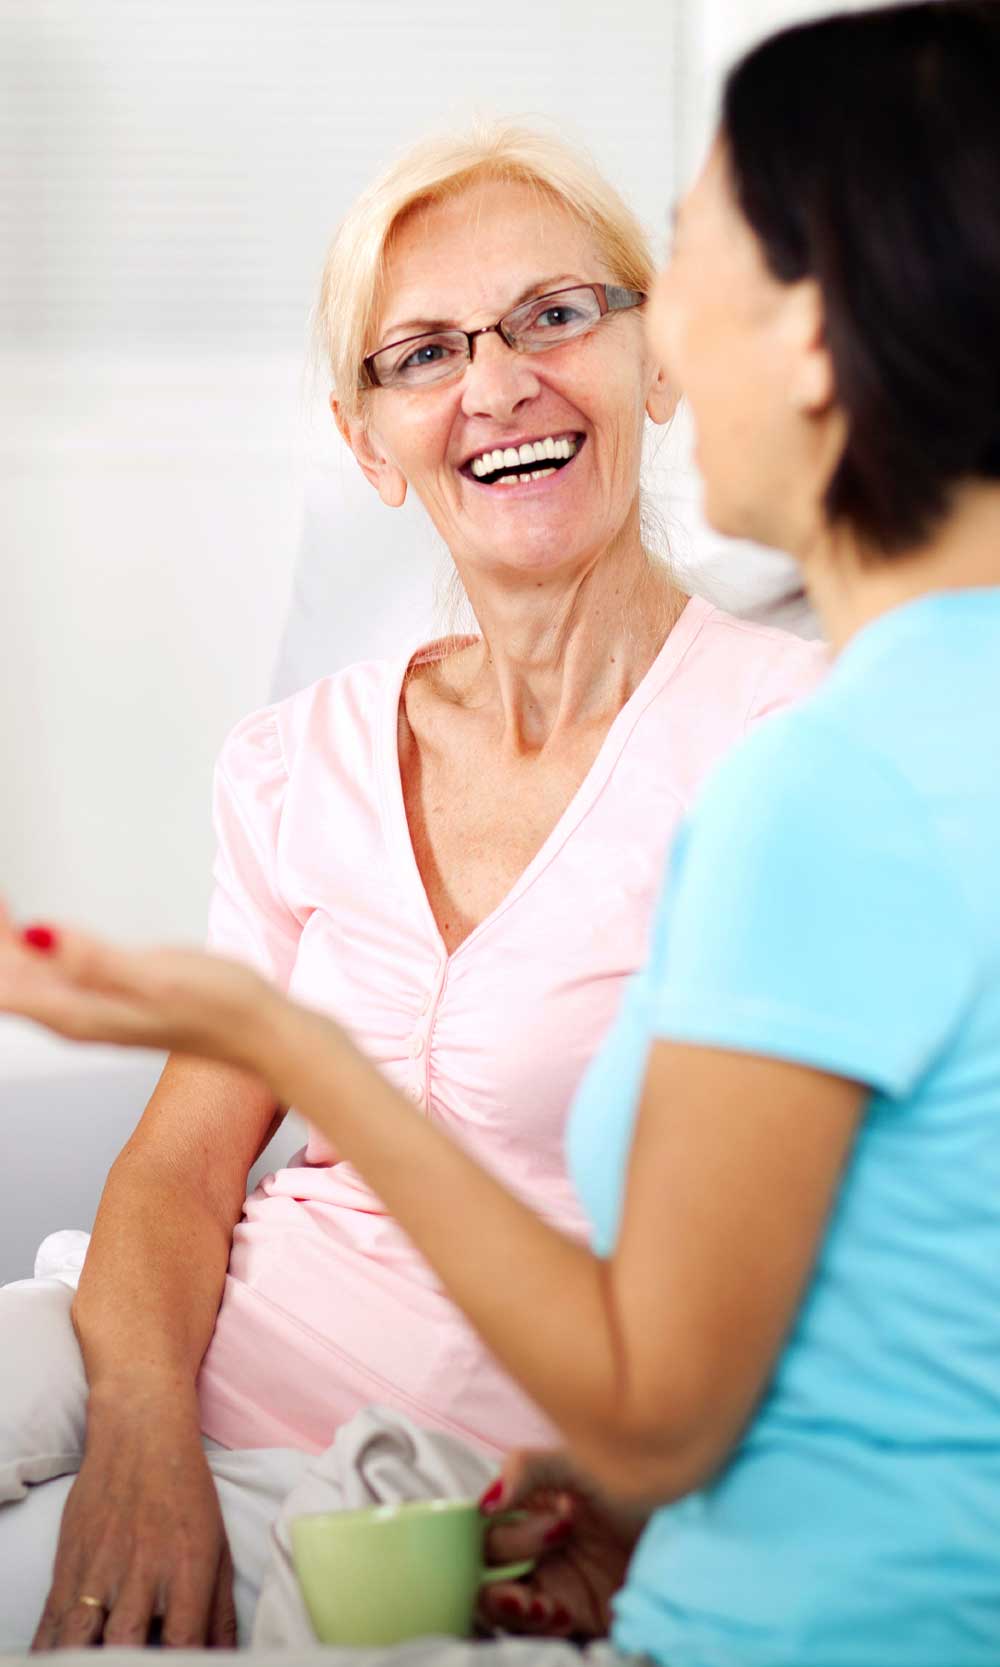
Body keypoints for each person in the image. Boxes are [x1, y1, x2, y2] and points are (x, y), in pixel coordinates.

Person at [0, 123, 824, 1650]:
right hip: (159, 1376)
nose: (498, 383)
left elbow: (815, 1254)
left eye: (554, 316)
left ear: (654, 357)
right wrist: (140, 1446)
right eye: (424, 352)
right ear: (369, 440)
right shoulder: (292, 757)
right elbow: (186, 1164)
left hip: (451, 1491)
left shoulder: (794, 746)